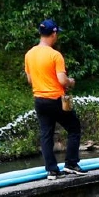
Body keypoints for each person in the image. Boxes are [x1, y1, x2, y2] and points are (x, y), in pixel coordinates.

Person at [25, 19, 83, 179]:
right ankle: (71, 164)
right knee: (74, 127)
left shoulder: (29, 54)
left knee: (46, 134)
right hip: (56, 100)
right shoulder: (55, 55)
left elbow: (30, 80)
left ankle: (51, 170)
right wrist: (71, 81)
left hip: (39, 100)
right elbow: (62, 80)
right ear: (54, 33)